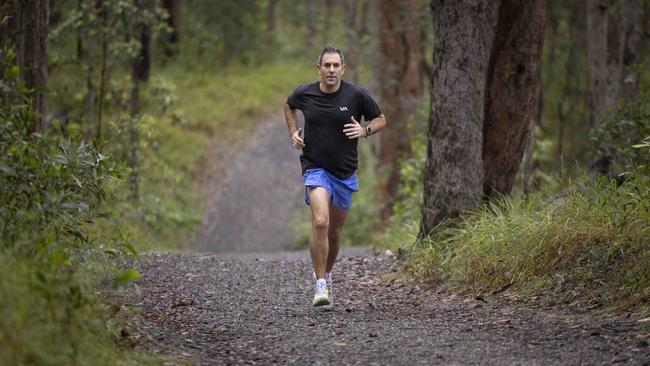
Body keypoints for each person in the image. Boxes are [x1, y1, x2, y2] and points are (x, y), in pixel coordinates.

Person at [283, 46, 386, 307]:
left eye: (335, 65)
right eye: (326, 65)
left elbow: (381, 119)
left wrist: (365, 131)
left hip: (344, 172)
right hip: (315, 167)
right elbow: (289, 105)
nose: (331, 70)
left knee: (335, 232)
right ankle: (319, 284)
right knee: (320, 222)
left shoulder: (356, 95)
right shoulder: (305, 93)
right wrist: (293, 131)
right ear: (318, 68)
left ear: (343, 68)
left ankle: (327, 275)